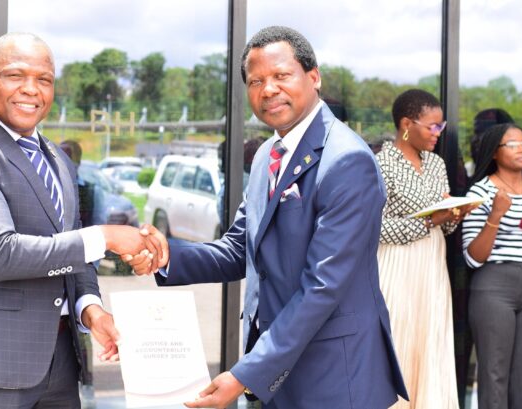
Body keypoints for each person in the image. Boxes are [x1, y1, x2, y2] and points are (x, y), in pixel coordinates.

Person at [133, 26, 407, 408]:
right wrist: (165, 256)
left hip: (333, 376)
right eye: (256, 81)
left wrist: (245, 374)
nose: (268, 90)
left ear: (314, 77)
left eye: (281, 75)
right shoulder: (267, 156)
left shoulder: (347, 160)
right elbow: (238, 249)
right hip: (278, 372)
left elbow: (322, 286)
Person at [0, 32, 165, 408]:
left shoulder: (57, 159)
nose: (30, 89)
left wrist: (91, 309)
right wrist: (105, 237)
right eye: (15, 75)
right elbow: (2, 254)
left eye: (44, 79)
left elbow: (72, 249)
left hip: (62, 363)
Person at [376, 89, 475, 409]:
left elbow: (443, 226)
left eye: (441, 126)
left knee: (431, 340)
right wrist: (428, 222)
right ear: (407, 124)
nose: (438, 133)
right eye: (433, 126)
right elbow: (373, 227)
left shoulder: (436, 163)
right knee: (399, 336)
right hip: (396, 263)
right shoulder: (380, 163)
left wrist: (454, 214)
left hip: (432, 264)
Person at [462, 123, 522, 409]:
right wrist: (495, 215)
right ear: (494, 152)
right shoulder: (479, 192)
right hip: (494, 286)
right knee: (494, 373)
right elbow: (473, 257)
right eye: (513, 144)